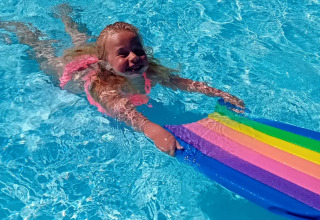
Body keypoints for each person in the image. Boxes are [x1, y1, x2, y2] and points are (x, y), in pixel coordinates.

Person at [0, 5, 245, 156]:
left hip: (96, 56)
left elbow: (180, 82)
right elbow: (129, 115)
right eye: (123, 53)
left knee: (81, 39)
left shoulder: (148, 69)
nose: (134, 57)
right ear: (105, 62)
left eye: (138, 50)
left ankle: (67, 18)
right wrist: (153, 130)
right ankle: (18, 28)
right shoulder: (104, 88)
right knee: (43, 49)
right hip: (71, 72)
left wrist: (217, 93)